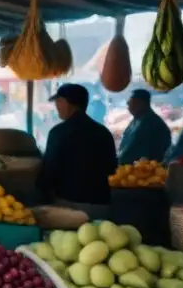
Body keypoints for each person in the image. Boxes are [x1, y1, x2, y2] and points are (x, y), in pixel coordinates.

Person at [37, 83, 118, 217]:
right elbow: (112, 169)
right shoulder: (104, 132)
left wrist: (41, 197)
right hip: (102, 207)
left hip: (70, 208)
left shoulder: (58, 133)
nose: (56, 106)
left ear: (69, 103)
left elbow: (49, 171)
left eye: (58, 101)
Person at [119, 89, 172, 165]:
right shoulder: (138, 119)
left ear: (141, 104)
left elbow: (135, 149)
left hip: (145, 171)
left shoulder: (153, 123)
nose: (128, 105)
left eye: (132, 103)